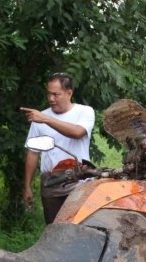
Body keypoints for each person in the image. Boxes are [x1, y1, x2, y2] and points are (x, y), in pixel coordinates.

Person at [21, 73, 95, 225]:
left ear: (69, 93)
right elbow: (33, 153)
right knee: (54, 230)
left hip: (79, 182)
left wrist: (45, 119)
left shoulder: (84, 112)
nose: (51, 99)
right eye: (48, 93)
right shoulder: (39, 118)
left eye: (56, 94)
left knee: (80, 229)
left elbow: (77, 132)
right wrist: (27, 186)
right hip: (51, 184)